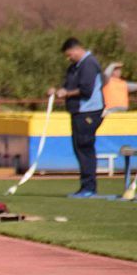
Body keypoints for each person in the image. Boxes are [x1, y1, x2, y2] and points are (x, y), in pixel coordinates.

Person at [48, 38, 104, 198]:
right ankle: (85, 186)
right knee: (79, 148)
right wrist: (58, 91)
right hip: (78, 112)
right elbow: (69, 86)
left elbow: (86, 89)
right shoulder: (74, 67)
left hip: (88, 112)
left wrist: (67, 93)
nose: (69, 58)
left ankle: (89, 187)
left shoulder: (89, 64)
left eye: (69, 55)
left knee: (85, 147)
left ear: (76, 50)